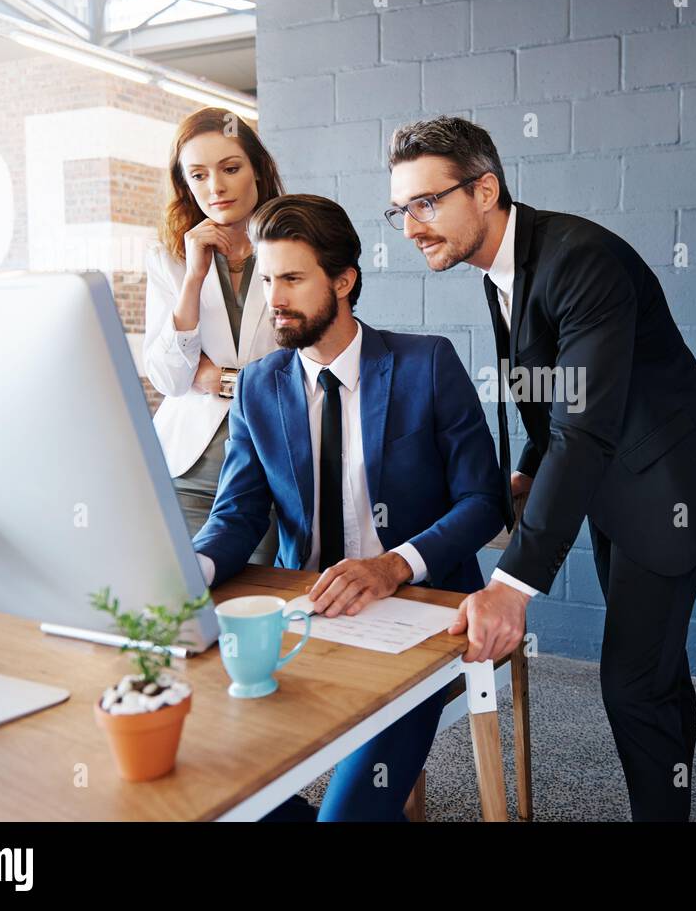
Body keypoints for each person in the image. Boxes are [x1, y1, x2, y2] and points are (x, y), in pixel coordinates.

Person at [386, 116, 696, 822]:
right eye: (400, 209)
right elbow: (553, 392)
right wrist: (527, 467)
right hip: (619, 487)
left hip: (666, 488)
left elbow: (584, 427)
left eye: (426, 203)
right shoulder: (502, 263)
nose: (410, 227)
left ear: (484, 189)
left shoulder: (579, 259)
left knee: (632, 684)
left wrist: (511, 586)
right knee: (657, 671)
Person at [192, 193, 505, 821]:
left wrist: (391, 566)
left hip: (417, 617)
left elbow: (484, 502)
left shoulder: (427, 364)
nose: (273, 298)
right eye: (267, 278)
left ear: (343, 280)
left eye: (292, 279)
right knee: (207, 786)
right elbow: (239, 514)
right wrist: (188, 571)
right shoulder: (258, 385)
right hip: (305, 616)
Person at [143, 107, 282, 565]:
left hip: (271, 465)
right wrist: (193, 277)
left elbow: (305, 360)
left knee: (264, 604)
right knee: (186, 609)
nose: (215, 188)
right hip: (187, 469)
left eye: (230, 168)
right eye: (198, 175)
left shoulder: (293, 242)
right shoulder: (168, 255)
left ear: (257, 170)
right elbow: (167, 377)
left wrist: (216, 377)